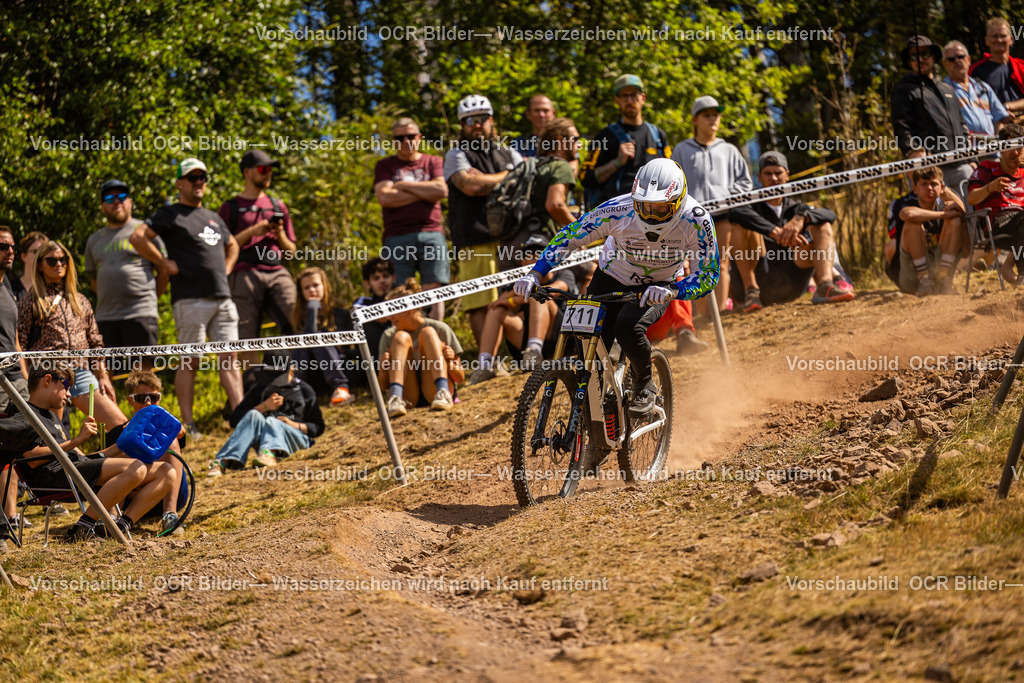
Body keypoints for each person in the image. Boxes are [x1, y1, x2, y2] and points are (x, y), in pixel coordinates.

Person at [514, 158, 719, 419]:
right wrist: (534, 274)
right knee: (585, 340)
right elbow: (571, 236)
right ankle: (596, 420)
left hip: (659, 285)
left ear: (678, 201)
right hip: (611, 277)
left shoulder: (696, 220)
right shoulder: (618, 209)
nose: (650, 215)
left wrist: (675, 292)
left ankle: (645, 383)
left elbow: (709, 274)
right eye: (643, 207)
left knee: (627, 327)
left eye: (660, 209)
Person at [131, 158, 244, 440]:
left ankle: (242, 419)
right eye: (192, 177)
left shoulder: (214, 217)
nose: (198, 182)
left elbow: (234, 245)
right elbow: (137, 237)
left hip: (223, 298)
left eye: (202, 177)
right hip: (190, 299)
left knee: (230, 358)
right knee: (190, 360)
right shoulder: (170, 213)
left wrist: (226, 269)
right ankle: (189, 424)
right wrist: (163, 262)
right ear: (180, 183)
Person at [0, 363, 176, 543]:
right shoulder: (23, 412)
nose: (69, 394)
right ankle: (83, 527)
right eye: (66, 386)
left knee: (167, 472)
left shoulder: (52, 415)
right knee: (136, 468)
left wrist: (122, 443)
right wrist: (76, 440)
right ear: (47, 380)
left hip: (75, 469)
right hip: (54, 477)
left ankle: (117, 526)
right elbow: (32, 458)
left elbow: (81, 457)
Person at [17, 240, 128, 429]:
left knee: (121, 426)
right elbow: (19, 342)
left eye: (63, 260)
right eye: (51, 260)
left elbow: (95, 341)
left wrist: (103, 375)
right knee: (54, 438)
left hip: (82, 371)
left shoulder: (81, 300)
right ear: (40, 265)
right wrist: (26, 378)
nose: (58, 264)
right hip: (49, 375)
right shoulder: (31, 300)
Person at [727, 152, 854, 310]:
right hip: (758, 278)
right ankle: (751, 292)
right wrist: (773, 231)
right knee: (739, 226)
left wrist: (801, 218)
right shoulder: (749, 205)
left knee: (823, 225)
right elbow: (734, 212)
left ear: (787, 175)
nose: (773, 178)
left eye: (778, 173)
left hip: (791, 280)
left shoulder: (796, 208)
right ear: (759, 177)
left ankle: (825, 285)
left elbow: (829, 214)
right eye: (768, 174)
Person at [444, 94, 523, 346]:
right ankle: (490, 362)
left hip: (510, 237)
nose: (476, 124)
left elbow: (528, 177)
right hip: (473, 238)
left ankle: (519, 357)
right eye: (470, 121)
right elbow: (471, 186)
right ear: (462, 125)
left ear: (491, 121)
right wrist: (509, 176)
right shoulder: (455, 155)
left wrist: (489, 179)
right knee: (479, 303)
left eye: (481, 119)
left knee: (514, 299)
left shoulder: (508, 152)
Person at [672, 95, 754, 316]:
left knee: (722, 263)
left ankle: (719, 311)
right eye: (706, 115)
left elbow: (745, 182)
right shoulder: (681, 150)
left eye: (716, 115)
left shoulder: (729, 150)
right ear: (694, 120)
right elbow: (672, 182)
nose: (713, 119)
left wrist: (727, 196)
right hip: (691, 219)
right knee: (696, 266)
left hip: (722, 215)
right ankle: (700, 317)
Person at [218, 149, 297, 372]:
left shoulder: (277, 205)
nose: (268, 174)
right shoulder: (230, 207)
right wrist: (255, 230)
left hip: (277, 270)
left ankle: (300, 378)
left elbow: (291, 251)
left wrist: (279, 232)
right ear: (247, 173)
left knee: (298, 321)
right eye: (263, 169)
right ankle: (251, 383)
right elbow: (222, 247)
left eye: (270, 169)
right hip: (243, 272)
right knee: (246, 334)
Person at [468, 233, 578, 386]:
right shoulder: (517, 282)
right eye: (529, 255)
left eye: (539, 254)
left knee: (538, 296)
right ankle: (485, 364)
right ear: (522, 261)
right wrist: (514, 295)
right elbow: (500, 302)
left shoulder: (564, 273)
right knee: (497, 309)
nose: (534, 259)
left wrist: (513, 299)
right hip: (525, 341)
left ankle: (534, 350)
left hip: (560, 340)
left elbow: (554, 291)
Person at [84, 179, 166, 372]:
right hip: (105, 317)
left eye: (122, 196)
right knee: (103, 374)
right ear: (103, 205)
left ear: (129, 201)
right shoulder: (94, 239)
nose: (117, 201)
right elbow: (93, 278)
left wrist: (151, 297)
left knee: (144, 374)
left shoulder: (145, 232)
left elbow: (164, 269)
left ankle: (148, 404)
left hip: (140, 314)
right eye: (110, 198)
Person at [373, 117, 449, 320]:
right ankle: (408, 343)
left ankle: (434, 339)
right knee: (400, 293)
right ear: (393, 141)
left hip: (431, 233)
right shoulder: (384, 165)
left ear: (419, 137)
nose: (406, 141)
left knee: (434, 292)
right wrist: (425, 192)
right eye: (400, 137)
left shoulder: (433, 161)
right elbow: (385, 197)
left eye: (410, 136)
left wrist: (404, 185)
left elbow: (441, 190)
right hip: (397, 236)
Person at [208, 351, 324, 475]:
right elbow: (234, 420)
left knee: (272, 421)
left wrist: (293, 424)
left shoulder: (304, 390)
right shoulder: (261, 387)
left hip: (295, 439)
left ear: (290, 370)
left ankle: (270, 452)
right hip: (263, 442)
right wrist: (264, 407)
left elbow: (318, 427)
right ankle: (223, 460)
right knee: (253, 415)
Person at [892, 35, 974, 202]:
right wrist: (913, 151)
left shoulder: (948, 88)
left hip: (961, 164)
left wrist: (972, 159)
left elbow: (962, 125)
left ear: (934, 57)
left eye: (925, 54)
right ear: (908, 62)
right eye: (914, 56)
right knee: (939, 222)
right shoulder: (903, 89)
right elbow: (901, 126)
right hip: (930, 169)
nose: (920, 59)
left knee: (973, 217)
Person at [104, 371, 186, 534]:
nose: (148, 403)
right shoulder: (118, 432)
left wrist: (170, 428)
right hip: (132, 500)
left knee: (171, 440)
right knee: (123, 445)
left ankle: (170, 515)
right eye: (141, 398)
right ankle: (112, 518)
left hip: (170, 495)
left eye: (153, 397)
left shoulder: (170, 426)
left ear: (159, 398)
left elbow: (181, 433)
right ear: (130, 400)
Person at [579, 74, 671, 210]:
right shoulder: (604, 136)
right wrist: (617, 162)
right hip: (614, 217)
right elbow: (585, 178)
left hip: (652, 214)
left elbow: (671, 175)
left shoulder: (658, 135)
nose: (630, 100)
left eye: (634, 94)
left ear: (643, 98)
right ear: (617, 100)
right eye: (624, 96)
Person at [378, 279, 465, 418]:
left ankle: (443, 392)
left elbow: (460, 377)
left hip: (434, 392)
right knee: (401, 337)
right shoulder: (389, 335)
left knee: (428, 332)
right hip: (408, 398)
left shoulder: (440, 329)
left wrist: (448, 361)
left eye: (392, 310)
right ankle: (395, 399)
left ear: (409, 309)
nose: (389, 317)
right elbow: (382, 386)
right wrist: (384, 369)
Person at [888, 166, 965, 295]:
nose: (929, 188)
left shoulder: (944, 206)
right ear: (915, 188)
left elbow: (963, 212)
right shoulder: (906, 205)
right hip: (912, 277)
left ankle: (943, 279)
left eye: (933, 184)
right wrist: (943, 215)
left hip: (938, 271)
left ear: (941, 187)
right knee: (913, 224)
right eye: (924, 184)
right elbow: (908, 215)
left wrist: (943, 190)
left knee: (956, 220)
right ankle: (924, 279)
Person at [967, 122, 1024, 284]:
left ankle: (1010, 268)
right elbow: (971, 198)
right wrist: (990, 188)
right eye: (1010, 147)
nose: (1016, 152)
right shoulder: (987, 167)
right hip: (999, 223)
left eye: (1019, 146)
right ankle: (1022, 273)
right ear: (1000, 149)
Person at [289, 267, 354, 405]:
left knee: (318, 338)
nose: (312, 290)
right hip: (314, 374)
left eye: (316, 285)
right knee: (303, 342)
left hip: (343, 368)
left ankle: (341, 387)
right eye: (306, 288)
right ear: (301, 293)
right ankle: (295, 389)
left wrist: (338, 349)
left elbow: (355, 349)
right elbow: (305, 346)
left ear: (325, 286)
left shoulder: (341, 314)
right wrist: (312, 309)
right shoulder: (299, 319)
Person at [942, 40, 1014, 137]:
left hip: (992, 148)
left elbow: (998, 120)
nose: (957, 61)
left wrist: (999, 145)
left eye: (961, 57)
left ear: (968, 60)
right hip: (966, 150)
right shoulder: (943, 90)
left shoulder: (983, 86)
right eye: (951, 59)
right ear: (944, 64)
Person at [969, 17, 1024, 116]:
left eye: (1003, 36)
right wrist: (1000, 113)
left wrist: (1007, 106)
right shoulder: (976, 70)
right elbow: (971, 102)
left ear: (1011, 39)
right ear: (987, 40)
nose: (999, 40)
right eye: (995, 36)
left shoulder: (1021, 67)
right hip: (993, 125)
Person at [0, 226, 28, 409]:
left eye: (12, 247)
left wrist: (25, 376)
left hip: (17, 379)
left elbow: (14, 335)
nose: (10, 251)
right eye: (3, 246)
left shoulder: (8, 286)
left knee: (32, 430)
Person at [351, 258, 396, 367]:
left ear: (394, 278)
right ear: (367, 283)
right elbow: (356, 314)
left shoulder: (405, 298)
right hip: (374, 358)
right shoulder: (363, 301)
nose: (382, 281)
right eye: (376, 278)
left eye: (385, 276)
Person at [511, 94, 557, 159]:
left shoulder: (563, 142)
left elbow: (573, 166)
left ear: (553, 113)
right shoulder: (518, 143)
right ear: (528, 114)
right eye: (537, 111)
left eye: (545, 110)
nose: (541, 115)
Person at [14, 231, 48, 301]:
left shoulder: (52, 289)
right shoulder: (11, 289)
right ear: (24, 256)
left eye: (45, 252)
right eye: (36, 251)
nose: (41, 256)